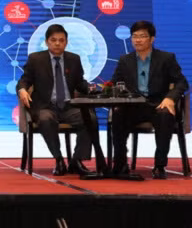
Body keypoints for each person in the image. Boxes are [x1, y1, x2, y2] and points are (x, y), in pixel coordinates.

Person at [111, 20, 189, 179]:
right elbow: (115, 83)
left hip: (158, 105)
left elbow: (182, 83)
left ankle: (159, 165)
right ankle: (120, 163)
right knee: (118, 115)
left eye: (142, 36)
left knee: (165, 115)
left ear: (152, 39)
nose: (138, 40)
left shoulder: (166, 58)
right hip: (134, 106)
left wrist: (170, 98)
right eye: (134, 36)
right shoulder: (125, 60)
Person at [16, 24, 94, 176]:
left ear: (66, 42)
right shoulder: (36, 59)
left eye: (61, 40)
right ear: (46, 42)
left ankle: (77, 161)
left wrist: (94, 88)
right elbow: (24, 80)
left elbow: (80, 83)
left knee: (89, 118)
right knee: (46, 119)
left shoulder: (74, 59)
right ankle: (58, 159)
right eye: (53, 40)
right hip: (45, 107)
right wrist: (22, 90)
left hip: (68, 107)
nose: (57, 43)